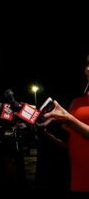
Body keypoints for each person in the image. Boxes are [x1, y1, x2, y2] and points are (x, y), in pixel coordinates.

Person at [40, 53, 89, 191]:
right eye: (86, 64)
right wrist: (44, 133)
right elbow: (69, 145)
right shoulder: (77, 102)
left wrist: (69, 119)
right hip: (78, 179)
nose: (87, 69)